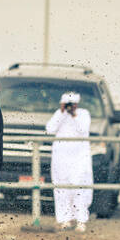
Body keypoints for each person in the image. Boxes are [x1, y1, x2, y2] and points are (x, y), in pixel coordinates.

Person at [45, 91, 93, 231]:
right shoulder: (59, 114)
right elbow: (50, 129)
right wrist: (61, 113)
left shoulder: (84, 113)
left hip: (79, 156)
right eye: (67, 104)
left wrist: (74, 115)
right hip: (61, 156)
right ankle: (64, 219)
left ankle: (81, 220)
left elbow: (83, 129)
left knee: (78, 185)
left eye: (72, 104)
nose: (70, 107)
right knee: (61, 187)